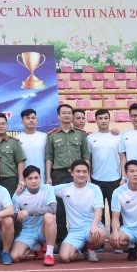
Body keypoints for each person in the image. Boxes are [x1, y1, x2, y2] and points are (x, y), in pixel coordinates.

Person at [46, 104, 90, 244]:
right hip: (59, 174)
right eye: (63, 113)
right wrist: (49, 177)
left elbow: (85, 155)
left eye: (69, 113)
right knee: (60, 209)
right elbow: (49, 157)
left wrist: (87, 175)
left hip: (78, 175)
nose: (66, 115)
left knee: (81, 206)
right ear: (58, 116)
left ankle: (83, 240)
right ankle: (61, 240)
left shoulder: (81, 134)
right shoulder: (52, 135)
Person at [53, 160, 105, 263]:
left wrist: (94, 226)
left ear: (88, 173)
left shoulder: (95, 188)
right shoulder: (65, 188)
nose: (81, 174)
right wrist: (23, 184)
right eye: (78, 171)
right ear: (72, 173)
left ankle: (91, 247)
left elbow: (99, 209)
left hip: (91, 227)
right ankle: (83, 249)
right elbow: (44, 189)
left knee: (100, 234)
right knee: (64, 257)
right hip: (75, 231)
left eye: (84, 172)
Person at [10, 165, 57, 266]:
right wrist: (18, 217)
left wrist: (28, 212)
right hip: (28, 230)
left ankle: (49, 254)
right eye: (30, 178)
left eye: (36, 178)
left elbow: (53, 209)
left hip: (43, 229)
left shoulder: (47, 189)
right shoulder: (18, 195)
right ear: (24, 180)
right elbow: (14, 214)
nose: (34, 181)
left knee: (49, 216)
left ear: (40, 178)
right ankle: (37, 247)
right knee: (14, 257)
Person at [87, 108, 122, 237]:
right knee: (98, 211)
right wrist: (88, 177)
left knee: (116, 211)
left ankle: (116, 238)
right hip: (96, 179)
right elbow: (88, 158)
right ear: (95, 120)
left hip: (115, 179)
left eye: (106, 118)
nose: (103, 121)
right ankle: (99, 240)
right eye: (100, 118)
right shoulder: (90, 138)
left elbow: (122, 157)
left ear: (109, 119)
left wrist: (123, 177)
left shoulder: (117, 137)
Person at [0, 113, 26, 194]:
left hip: (10, 180)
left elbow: (20, 162)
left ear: (7, 125)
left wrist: (21, 181)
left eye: (3, 124)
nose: (1, 126)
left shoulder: (14, 142)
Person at [17, 108, 47, 183]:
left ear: (36, 121)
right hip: (25, 178)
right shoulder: (17, 139)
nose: (31, 120)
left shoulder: (45, 137)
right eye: (28, 118)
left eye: (33, 118)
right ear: (22, 122)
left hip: (42, 177)